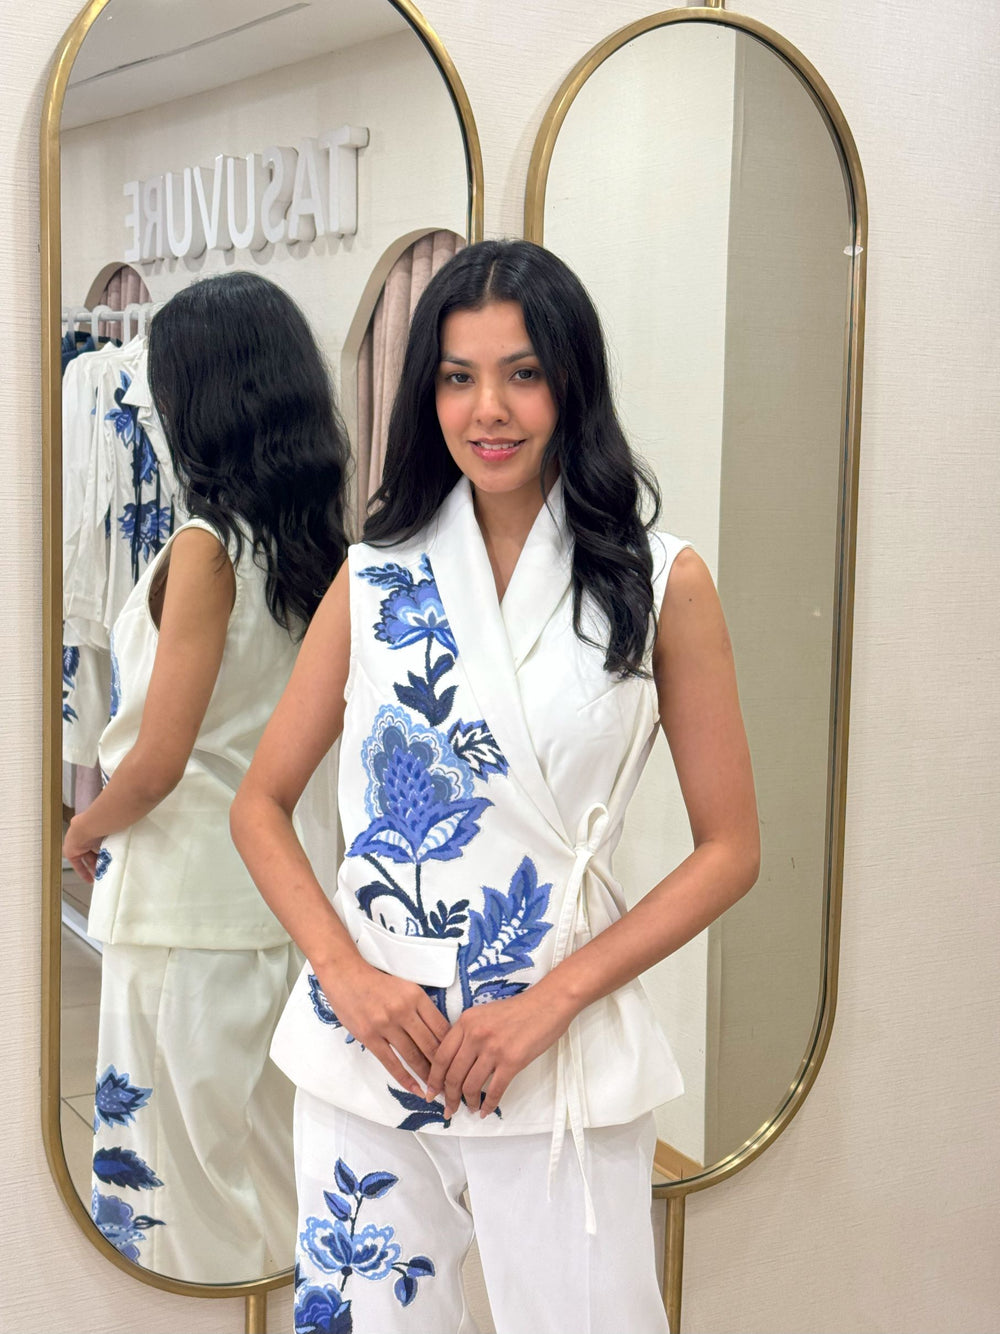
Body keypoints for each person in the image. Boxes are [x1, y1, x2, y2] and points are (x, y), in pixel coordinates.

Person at [231, 239, 759, 1333]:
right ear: (426, 394)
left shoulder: (660, 581)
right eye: (457, 377)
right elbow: (260, 802)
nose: (489, 410)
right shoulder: (375, 578)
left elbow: (730, 849)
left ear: (572, 382)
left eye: (522, 373)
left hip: (557, 1044)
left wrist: (550, 1002)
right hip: (369, 1045)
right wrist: (346, 975)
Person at [62, 271, 350, 1283]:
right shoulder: (314, 547)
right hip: (278, 893)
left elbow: (158, 756)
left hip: (184, 895)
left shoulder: (206, 548)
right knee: (268, 1154)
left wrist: (83, 825)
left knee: (172, 1170)